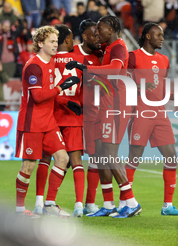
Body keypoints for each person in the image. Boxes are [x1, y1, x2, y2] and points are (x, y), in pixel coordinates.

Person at [66, 15, 142, 218]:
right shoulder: (107, 48)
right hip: (107, 104)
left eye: (100, 29)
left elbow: (116, 69)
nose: (97, 32)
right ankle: (108, 204)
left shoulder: (118, 47)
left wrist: (87, 69)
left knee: (109, 153)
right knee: (100, 154)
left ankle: (131, 201)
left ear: (111, 29)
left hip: (117, 105)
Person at [124, 22, 178, 216]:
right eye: (158, 35)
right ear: (147, 37)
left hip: (159, 113)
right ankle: (125, 201)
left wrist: (174, 95)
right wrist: (140, 87)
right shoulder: (133, 57)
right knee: (134, 158)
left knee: (171, 156)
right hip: (140, 112)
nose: (162, 38)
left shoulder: (164, 60)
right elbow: (123, 83)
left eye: (162, 35)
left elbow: (162, 88)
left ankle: (167, 206)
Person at [15, 26, 80, 217]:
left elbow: (49, 94)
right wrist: (61, 88)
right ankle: (19, 209)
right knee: (28, 166)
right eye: (51, 41)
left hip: (48, 122)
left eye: (56, 41)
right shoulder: (33, 65)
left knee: (63, 158)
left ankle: (49, 204)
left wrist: (67, 102)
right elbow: (37, 96)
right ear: (40, 43)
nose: (55, 45)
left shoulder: (50, 63)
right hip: (32, 123)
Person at [33, 24, 85, 217]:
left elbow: (48, 88)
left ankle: (40, 202)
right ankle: (79, 205)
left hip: (52, 114)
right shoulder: (80, 60)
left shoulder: (50, 61)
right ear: (66, 40)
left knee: (45, 159)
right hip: (73, 117)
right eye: (71, 39)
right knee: (76, 161)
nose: (74, 42)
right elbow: (87, 86)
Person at [71, 19, 101, 215]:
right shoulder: (71, 53)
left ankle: (90, 203)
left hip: (94, 115)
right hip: (72, 114)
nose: (98, 38)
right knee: (68, 160)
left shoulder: (101, 56)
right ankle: (50, 202)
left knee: (95, 159)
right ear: (85, 36)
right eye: (94, 35)